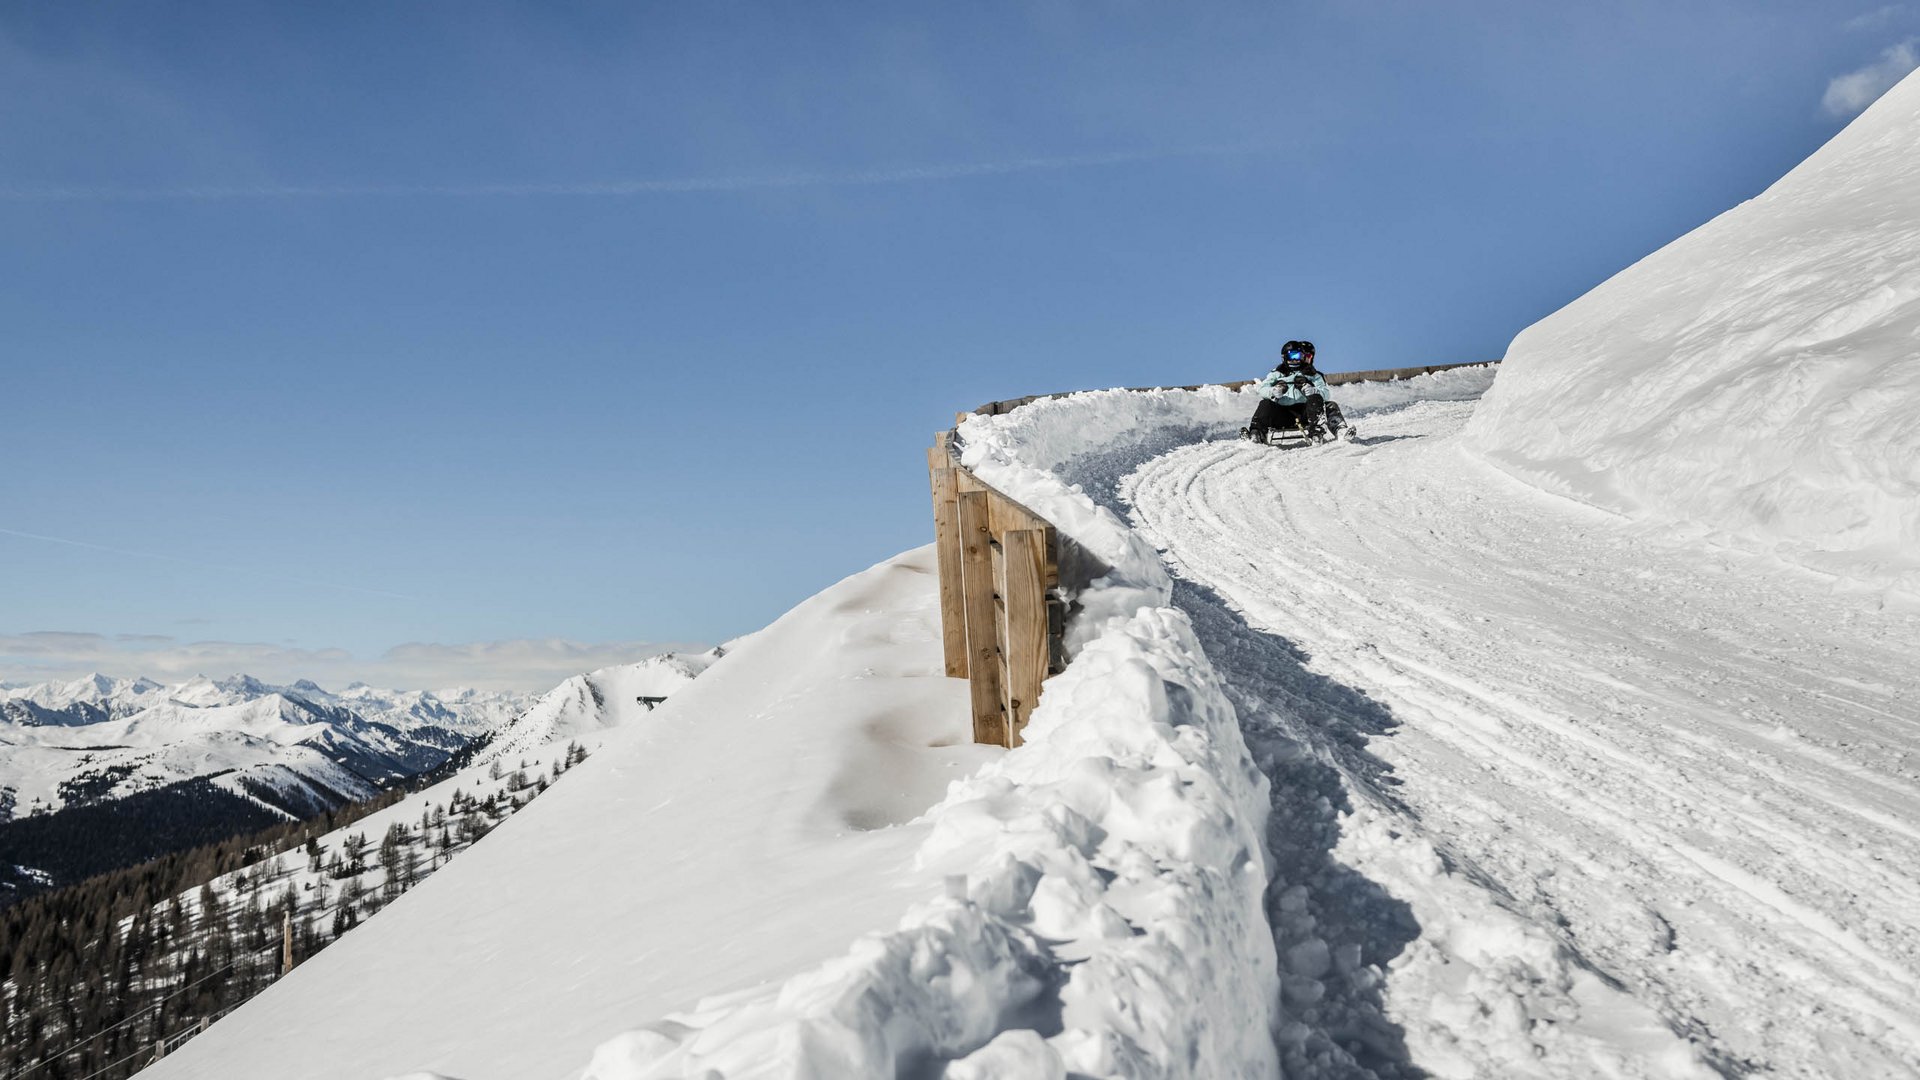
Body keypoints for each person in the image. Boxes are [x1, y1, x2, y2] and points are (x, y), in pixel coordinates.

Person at [1246, 340, 1349, 443]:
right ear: (1285, 357)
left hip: (1307, 413)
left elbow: (1326, 394)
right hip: (1283, 413)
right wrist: (1273, 392)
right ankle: (1256, 433)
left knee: (1328, 404)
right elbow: (1262, 389)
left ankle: (1336, 430)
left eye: (1299, 356)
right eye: (1293, 356)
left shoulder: (1312, 374)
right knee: (1265, 404)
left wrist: (1314, 390)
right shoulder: (1277, 374)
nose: (1295, 359)